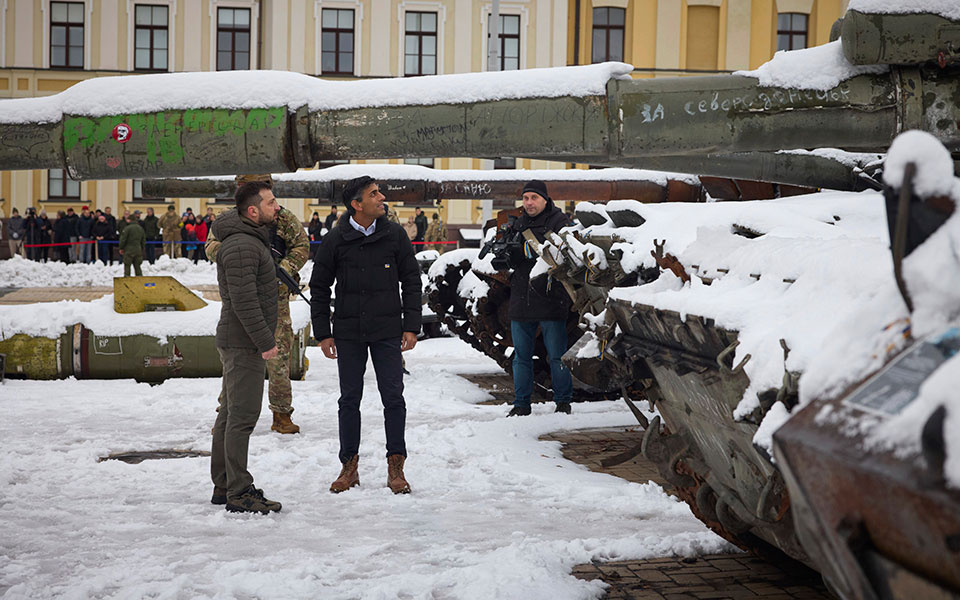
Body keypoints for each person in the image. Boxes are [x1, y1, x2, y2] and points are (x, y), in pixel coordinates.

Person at [310, 175, 422, 495]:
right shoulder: (337, 239)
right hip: (348, 333)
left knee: (393, 399)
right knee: (349, 400)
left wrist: (411, 326)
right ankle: (349, 466)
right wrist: (323, 333)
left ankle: (396, 467)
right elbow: (319, 287)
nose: (382, 197)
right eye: (374, 194)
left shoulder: (394, 235)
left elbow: (411, 282)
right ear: (357, 205)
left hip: (387, 332)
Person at [207, 178, 310, 435]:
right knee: (237, 360)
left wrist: (280, 270)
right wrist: (240, 257)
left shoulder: (282, 218)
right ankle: (227, 413)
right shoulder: (229, 220)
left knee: (279, 358)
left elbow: (302, 245)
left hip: (276, 297)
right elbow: (210, 246)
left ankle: (281, 413)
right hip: (241, 292)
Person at [209, 180, 282, 514]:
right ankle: (238, 491)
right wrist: (265, 343)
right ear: (253, 211)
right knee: (242, 416)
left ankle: (224, 484)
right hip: (244, 343)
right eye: (270, 203)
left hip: (241, 340)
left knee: (230, 414)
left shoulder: (248, 240)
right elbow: (243, 300)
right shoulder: (241, 246)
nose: (277, 207)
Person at [505, 180, 574, 417]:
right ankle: (521, 404)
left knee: (556, 355)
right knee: (521, 357)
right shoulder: (518, 223)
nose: (529, 203)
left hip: (550, 298)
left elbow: (563, 253)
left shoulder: (559, 221)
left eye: (534, 198)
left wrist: (526, 249)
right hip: (521, 298)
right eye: (525, 198)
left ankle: (563, 402)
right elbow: (511, 261)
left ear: (545, 199)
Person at [118, 211, 146, 276]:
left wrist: (121, 248)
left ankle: (127, 281)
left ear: (129, 220)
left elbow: (123, 239)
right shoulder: (140, 228)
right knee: (137, 267)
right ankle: (139, 280)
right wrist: (141, 248)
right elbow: (143, 240)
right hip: (138, 249)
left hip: (128, 250)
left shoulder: (127, 228)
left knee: (127, 266)